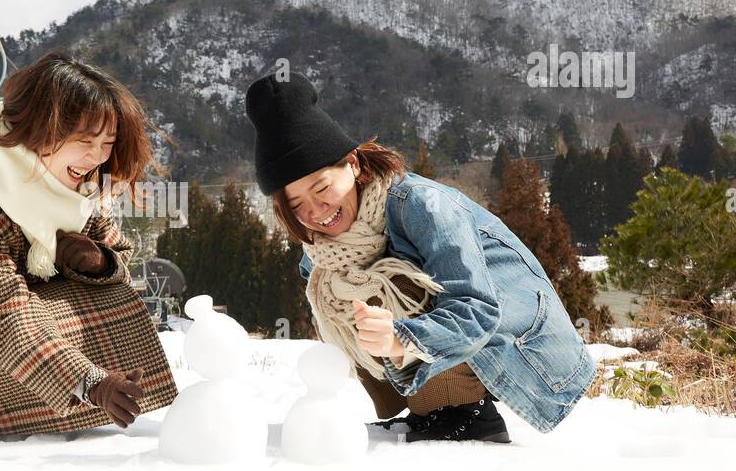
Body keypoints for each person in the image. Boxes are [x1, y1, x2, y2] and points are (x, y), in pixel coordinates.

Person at [244, 71, 595, 442]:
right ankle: (430, 408)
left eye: (322, 188)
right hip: (464, 344)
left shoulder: (422, 206)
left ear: (354, 164)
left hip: (521, 347)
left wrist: (399, 339)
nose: (317, 211)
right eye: (297, 204)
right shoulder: (321, 246)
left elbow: (477, 308)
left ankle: (466, 410)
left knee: (388, 283)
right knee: (341, 286)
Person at [0, 50, 178, 436]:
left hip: (18, 302)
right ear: (40, 131)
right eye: (85, 141)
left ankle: (48, 399)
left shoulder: (78, 186)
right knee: (60, 325)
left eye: (107, 142)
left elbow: (118, 261)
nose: (96, 157)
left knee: (114, 299)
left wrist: (96, 261)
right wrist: (90, 382)